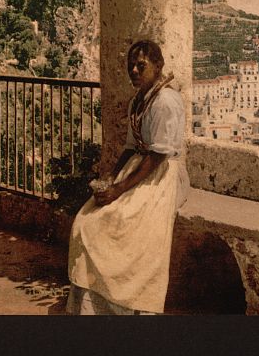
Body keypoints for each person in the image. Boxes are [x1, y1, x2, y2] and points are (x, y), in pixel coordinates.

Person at [66, 39, 190, 315]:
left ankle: (128, 303)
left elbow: (159, 155)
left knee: (122, 221)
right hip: (140, 167)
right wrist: (110, 178)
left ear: (158, 66)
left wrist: (119, 189)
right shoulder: (139, 100)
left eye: (141, 65)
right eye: (130, 66)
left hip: (164, 174)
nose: (134, 70)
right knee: (86, 221)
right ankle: (95, 307)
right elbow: (131, 147)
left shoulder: (166, 101)